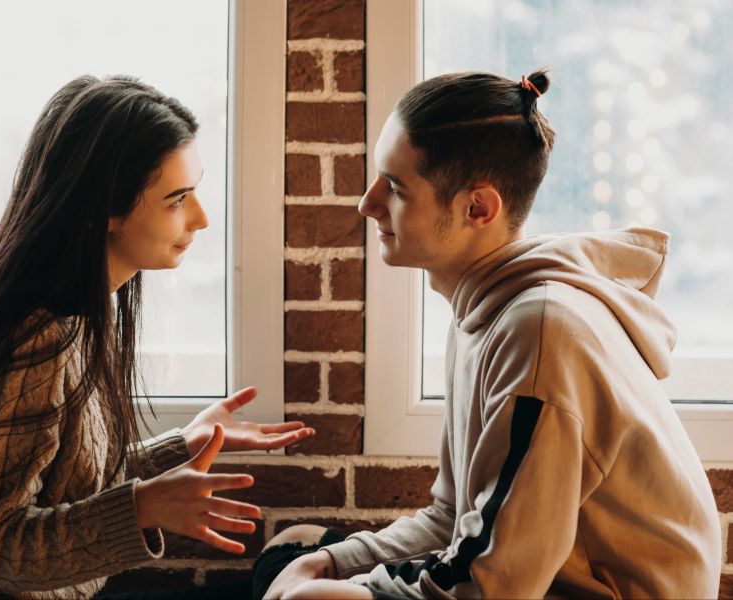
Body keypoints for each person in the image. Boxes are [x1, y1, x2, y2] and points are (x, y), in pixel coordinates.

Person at [261, 70, 722, 599]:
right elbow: (452, 519)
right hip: (523, 581)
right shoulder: (484, 307)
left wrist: (352, 589)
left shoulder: (538, 334)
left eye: (395, 188)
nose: (367, 204)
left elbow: (494, 585)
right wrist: (332, 561)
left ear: (477, 208)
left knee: (308, 593)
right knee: (296, 550)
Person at [0, 75, 314, 599]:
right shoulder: (34, 337)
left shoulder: (78, 309)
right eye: (177, 198)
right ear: (107, 211)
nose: (202, 218)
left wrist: (181, 446)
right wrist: (142, 507)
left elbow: (62, 480)